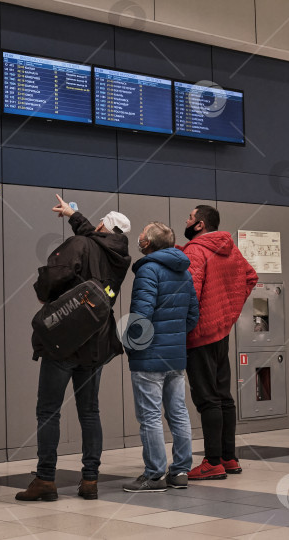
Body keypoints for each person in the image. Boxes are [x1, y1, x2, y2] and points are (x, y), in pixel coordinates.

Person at [16, 195, 131, 502]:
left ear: (103, 225)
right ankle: (90, 480)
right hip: (96, 345)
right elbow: (91, 236)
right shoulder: (120, 259)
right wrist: (72, 214)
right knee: (90, 412)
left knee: (48, 411)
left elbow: (56, 273)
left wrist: (44, 294)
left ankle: (45, 479)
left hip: (63, 344)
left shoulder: (80, 245)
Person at [121, 222, 199, 493]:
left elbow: (141, 316)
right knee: (178, 413)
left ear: (149, 244)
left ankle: (154, 476)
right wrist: (174, 336)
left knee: (150, 416)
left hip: (150, 356)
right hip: (175, 356)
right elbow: (192, 316)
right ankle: (179, 472)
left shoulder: (148, 271)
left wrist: (132, 346)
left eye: (142, 235)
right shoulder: (185, 272)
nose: (139, 238)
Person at [181, 205, 258, 479]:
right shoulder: (230, 248)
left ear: (200, 224)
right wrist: (229, 312)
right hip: (221, 332)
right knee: (224, 396)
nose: (186, 221)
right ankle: (229, 458)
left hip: (200, 334)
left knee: (206, 399)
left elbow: (189, 294)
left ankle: (212, 462)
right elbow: (250, 277)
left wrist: (187, 326)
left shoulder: (195, 250)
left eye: (190, 217)